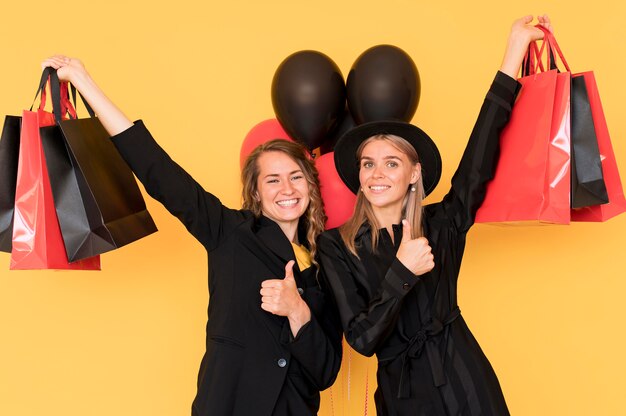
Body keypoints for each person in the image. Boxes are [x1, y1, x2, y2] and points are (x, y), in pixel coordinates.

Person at [42, 56, 342, 416]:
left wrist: (298, 311)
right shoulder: (230, 231)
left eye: (295, 176)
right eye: (272, 180)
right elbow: (157, 170)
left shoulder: (330, 261)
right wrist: (83, 80)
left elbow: (326, 372)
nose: (287, 189)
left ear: (309, 184)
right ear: (257, 192)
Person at [317, 15, 552, 416]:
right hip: (403, 396)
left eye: (392, 163)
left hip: (466, 381)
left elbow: (482, 151)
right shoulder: (335, 245)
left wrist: (513, 52)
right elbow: (361, 339)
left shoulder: (443, 222)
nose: (377, 174)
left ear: (414, 174)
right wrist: (403, 272)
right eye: (368, 164)